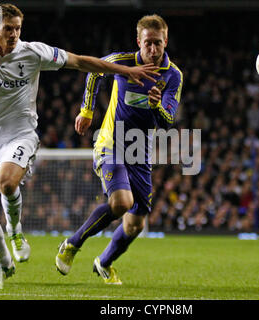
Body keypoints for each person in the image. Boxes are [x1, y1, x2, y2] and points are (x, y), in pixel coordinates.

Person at [0, 3, 159, 290]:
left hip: (21, 134)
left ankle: (16, 232)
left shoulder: (33, 52)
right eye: (8, 29)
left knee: (6, 181)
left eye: (17, 28)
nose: (14, 34)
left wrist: (124, 71)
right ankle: (4, 263)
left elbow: (79, 61)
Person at [55, 14, 183, 284]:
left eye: (158, 43)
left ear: (165, 41)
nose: (152, 49)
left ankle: (104, 262)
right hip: (111, 142)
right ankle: (72, 244)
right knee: (122, 203)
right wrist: (87, 111)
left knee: (136, 225)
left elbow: (169, 121)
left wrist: (157, 105)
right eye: (147, 43)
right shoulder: (121, 62)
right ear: (139, 41)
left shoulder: (173, 76)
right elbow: (93, 72)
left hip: (140, 151)